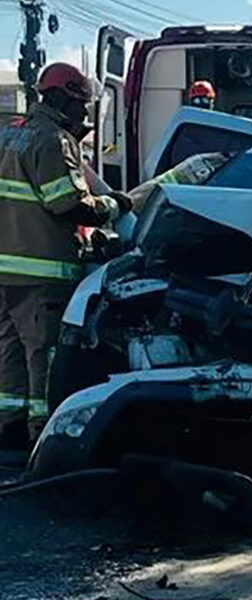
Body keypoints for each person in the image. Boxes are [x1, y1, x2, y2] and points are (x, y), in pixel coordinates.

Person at [0, 63, 131, 448]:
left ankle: (8, 429)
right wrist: (114, 205)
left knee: (8, 352)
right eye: (79, 105)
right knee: (43, 355)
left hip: (5, 269)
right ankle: (42, 438)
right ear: (59, 98)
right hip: (42, 271)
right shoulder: (53, 140)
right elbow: (68, 205)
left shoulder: (10, 133)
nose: (84, 115)